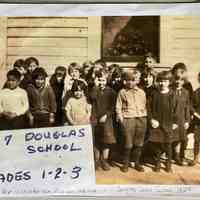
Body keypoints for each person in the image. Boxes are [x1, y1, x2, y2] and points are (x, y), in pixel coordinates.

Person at [116, 71, 147, 173]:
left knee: (139, 142)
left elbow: (145, 105)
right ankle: (126, 163)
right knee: (128, 143)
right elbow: (118, 106)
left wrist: (144, 117)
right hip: (128, 119)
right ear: (124, 81)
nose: (130, 82)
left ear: (136, 81)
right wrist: (120, 117)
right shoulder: (122, 92)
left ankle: (136, 163)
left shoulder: (141, 92)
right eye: (128, 80)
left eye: (133, 80)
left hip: (141, 119)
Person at [148, 71, 178, 173]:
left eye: (165, 81)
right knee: (156, 144)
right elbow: (148, 108)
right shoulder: (154, 94)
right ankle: (157, 162)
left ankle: (168, 162)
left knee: (168, 144)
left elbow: (176, 109)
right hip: (156, 123)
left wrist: (175, 122)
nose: (162, 83)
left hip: (168, 123)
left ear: (169, 82)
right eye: (160, 81)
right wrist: (151, 119)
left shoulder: (172, 94)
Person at [89, 69, 116, 171]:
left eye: (103, 80)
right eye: (99, 80)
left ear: (107, 80)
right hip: (95, 117)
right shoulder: (93, 90)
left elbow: (113, 107)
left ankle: (104, 159)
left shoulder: (111, 92)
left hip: (106, 118)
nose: (101, 83)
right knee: (95, 139)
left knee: (106, 140)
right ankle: (96, 160)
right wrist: (95, 86)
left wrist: (106, 115)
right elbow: (92, 98)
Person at [172, 75, 190, 165]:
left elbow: (187, 107)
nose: (178, 81)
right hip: (173, 119)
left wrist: (187, 121)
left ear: (183, 81)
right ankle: (176, 157)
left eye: (181, 80)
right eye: (177, 79)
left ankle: (181, 156)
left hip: (182, 119)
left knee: (183, 139)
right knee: (175, 139)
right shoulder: (171, 91)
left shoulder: (186, 92)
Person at [189, 72, 200, 166]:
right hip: (198, 121)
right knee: (197, 140)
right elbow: (191, 106)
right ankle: (195, 158)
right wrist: (196, 115)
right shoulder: (196, 92)